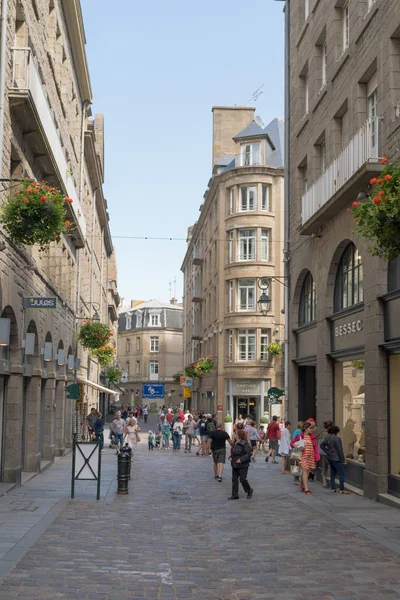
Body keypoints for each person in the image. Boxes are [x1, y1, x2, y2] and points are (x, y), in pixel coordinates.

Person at [291, 422, 320, 494]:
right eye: (310, 428)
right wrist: (294, 445)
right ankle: (306, 488)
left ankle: (302, 485)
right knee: (305, 469)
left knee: (305, 471)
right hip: (301, 457)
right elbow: (292, 443)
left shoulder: (312, 437)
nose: (311, 430)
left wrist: (317, 456)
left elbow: (315, 447)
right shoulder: (299, 436)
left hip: (310, 457)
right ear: (306, 429)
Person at [320, 425, 349, 494]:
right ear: (336, 432)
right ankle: (341, 489)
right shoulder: (337, 439)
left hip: (329, 457)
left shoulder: (327, 438)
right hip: (336, 458)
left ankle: (333, 488)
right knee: (341, 473)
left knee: (333, 473)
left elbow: (321, 445)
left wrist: (327, 451)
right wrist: (343, 459)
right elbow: (340, 450)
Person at [228, 429, 253, 500]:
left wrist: (241, 459)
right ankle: (235, 494)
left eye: (235, 433)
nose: (234, 434)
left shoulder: (244, 443)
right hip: (235, 464)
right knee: (234, 480)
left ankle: (249, 490)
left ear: (239, 435)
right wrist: (230, 457)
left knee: (242, 479)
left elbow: (248, 454)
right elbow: (233, 453)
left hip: (243, 465)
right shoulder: (235, 443)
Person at [320, 420, 333, 487]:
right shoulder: (328, 434)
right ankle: (330, 481)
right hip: (328, 451)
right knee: (330, 466)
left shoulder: (323, 432)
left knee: (324, 466)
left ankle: (324, 481)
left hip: (324, 452)